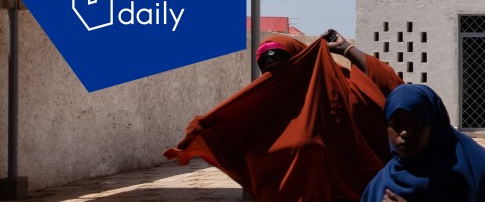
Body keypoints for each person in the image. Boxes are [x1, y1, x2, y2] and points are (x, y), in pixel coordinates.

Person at [166, 30, 403, 202]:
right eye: (266, 69)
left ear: (301, 62)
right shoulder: (261, 111)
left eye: (282, 66)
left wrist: (346, 49)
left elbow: (390, 87)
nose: (275, 77)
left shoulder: (337, 95)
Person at [361, 84, 485, 202]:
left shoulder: (464, 172)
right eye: (396, 124)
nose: (405, 133)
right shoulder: (380, 184)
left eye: (416, 124)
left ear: (434, 126)